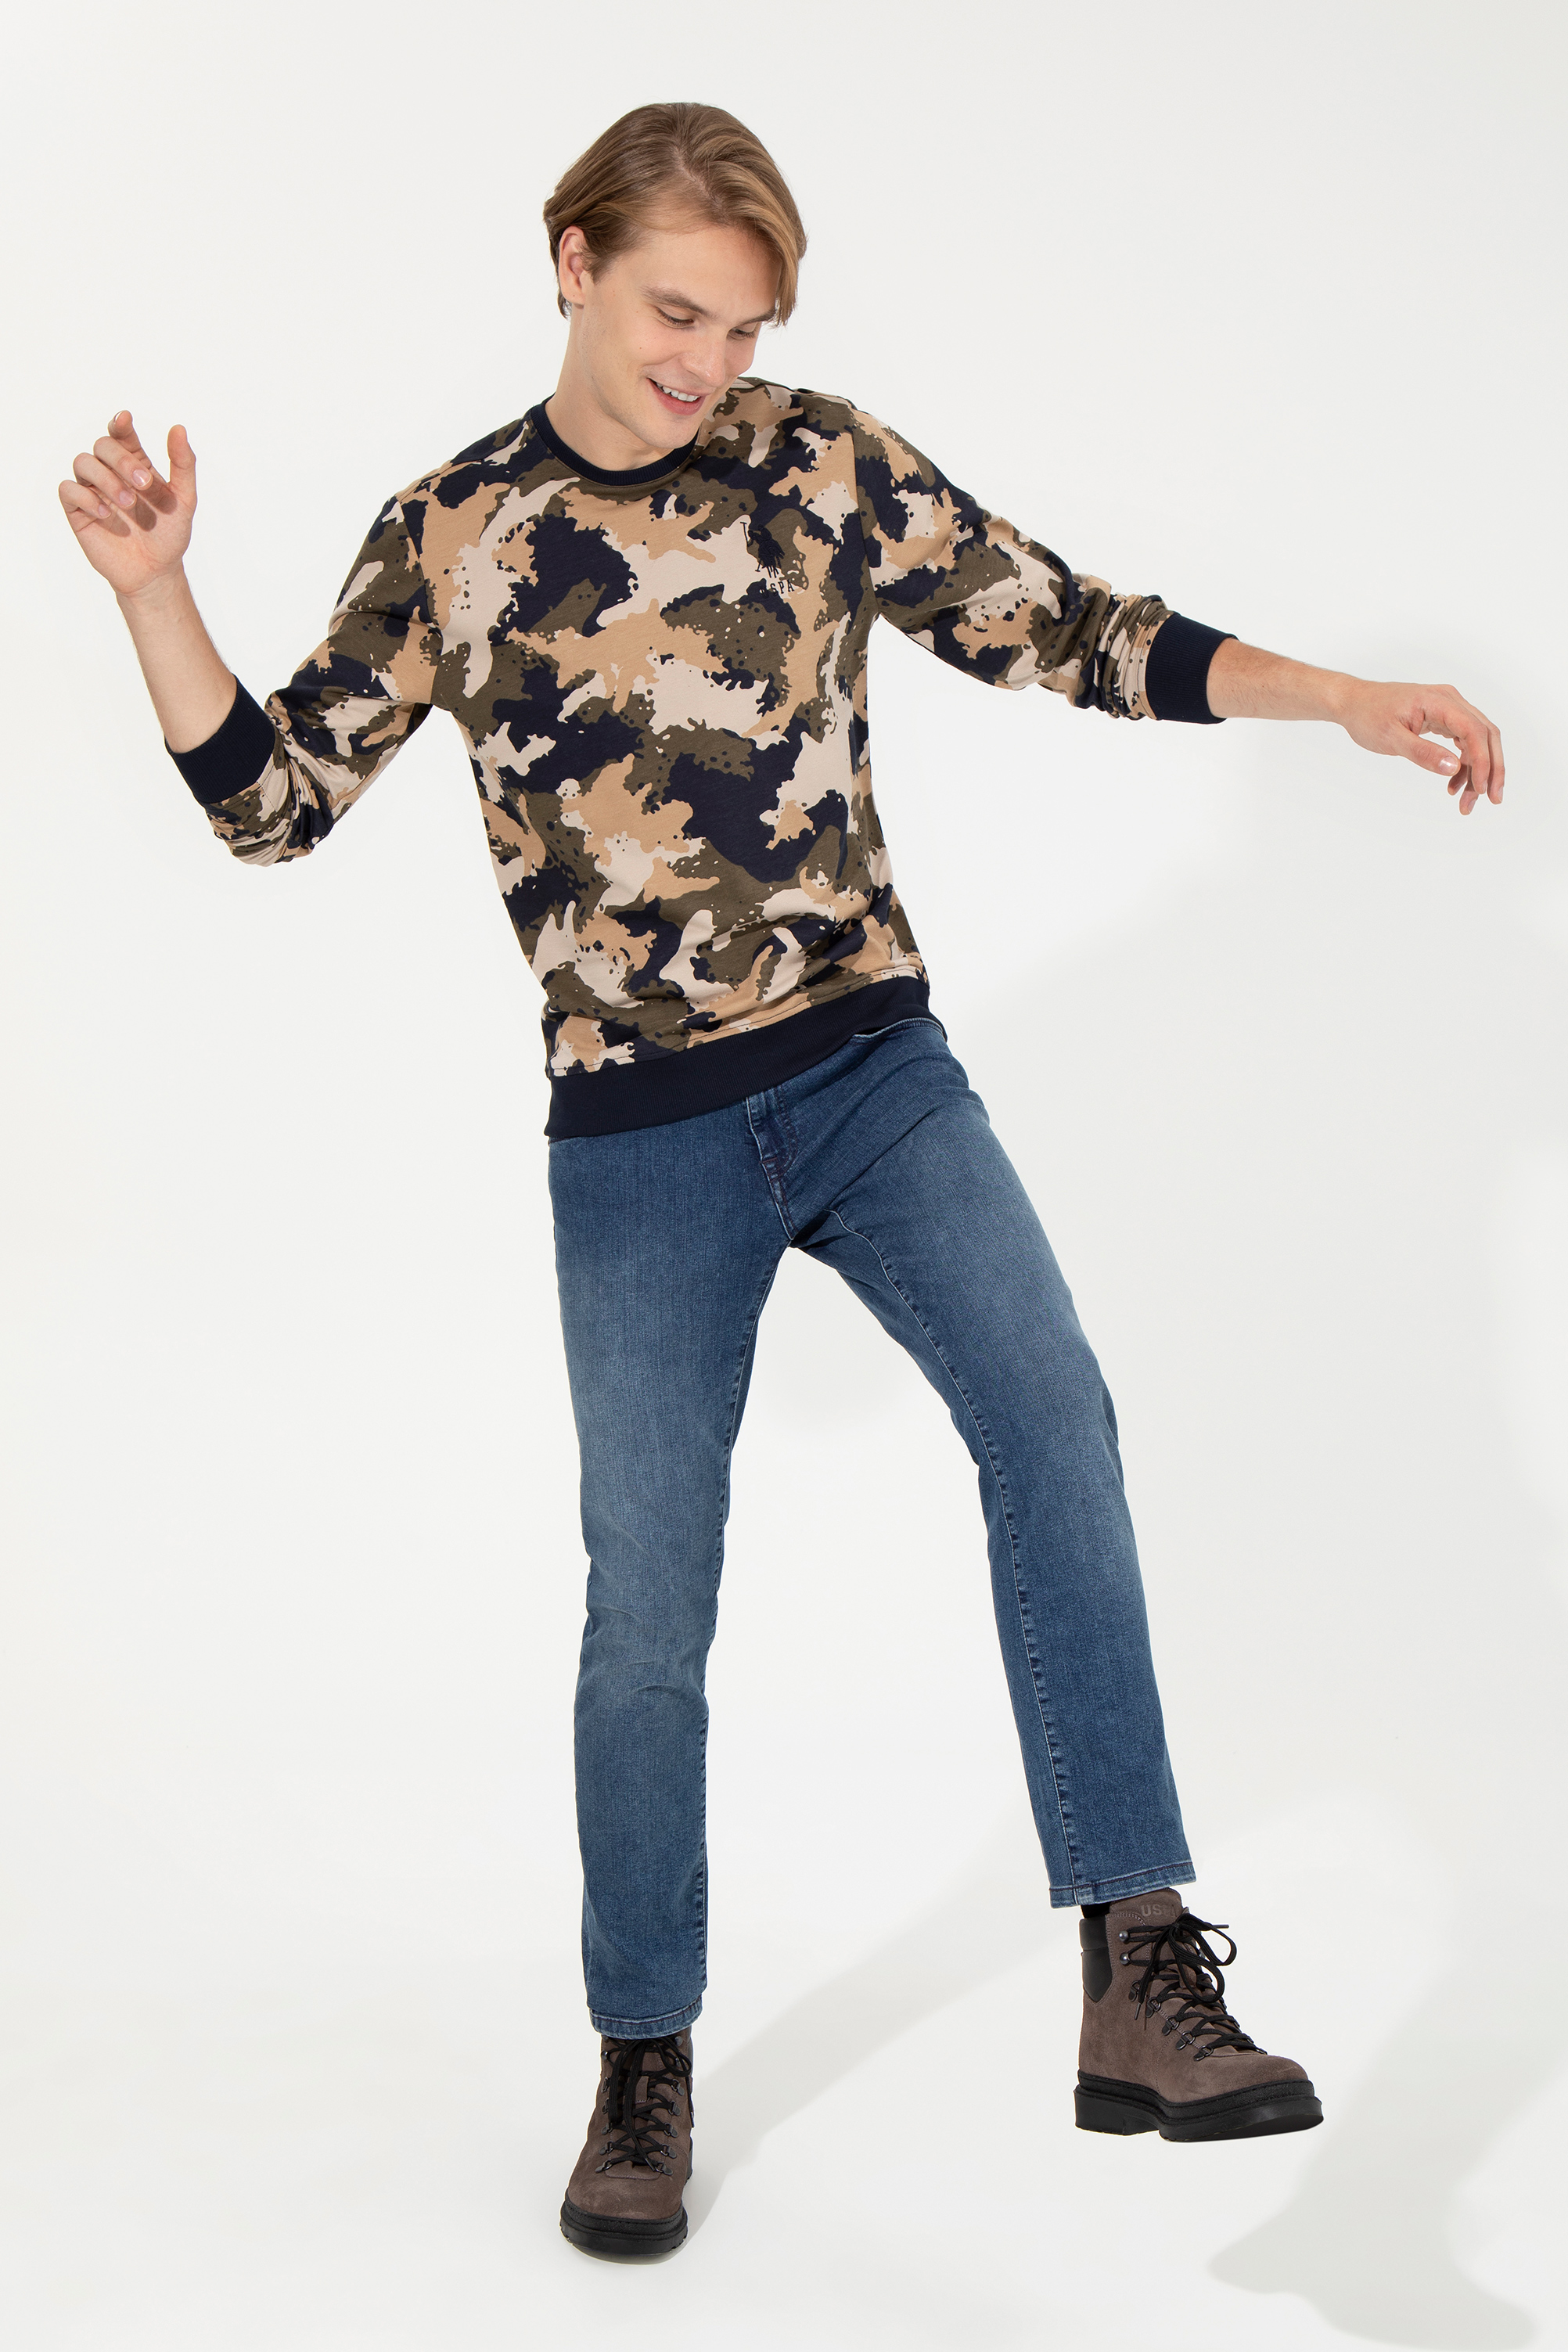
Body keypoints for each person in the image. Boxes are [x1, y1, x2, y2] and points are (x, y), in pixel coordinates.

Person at [60, 100, 1504, 2262]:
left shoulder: (818, 464)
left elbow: (1064, 627)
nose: (707, 365)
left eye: (739, 330)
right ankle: (641, 2059)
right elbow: (270, 806)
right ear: (570, 262)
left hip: (867, 1072)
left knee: (1055, 1421)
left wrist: (1334, 697)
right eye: (675, 313)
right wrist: (159, 594)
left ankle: (1134, 1964)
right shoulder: (454, 531)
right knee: (648, 1609)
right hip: (640, 1137)